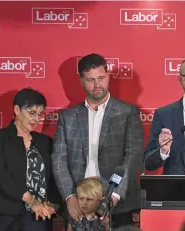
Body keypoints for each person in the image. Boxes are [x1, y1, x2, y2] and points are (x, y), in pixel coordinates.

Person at [52, 53, 144, 228]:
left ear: (108, 76)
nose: (97, 85)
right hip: (78, 206)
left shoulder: (128, 113)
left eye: (101, 78)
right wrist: (70, 197)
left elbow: (132, 157)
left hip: (117, 206)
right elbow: (59, 160)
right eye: (90, 80)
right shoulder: (68, 117)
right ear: (81, 81)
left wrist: (112, 198)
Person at [0, 88, 60, 231]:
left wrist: (53, 204)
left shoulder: (44, 141)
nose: (37, 119)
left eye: (40, 114)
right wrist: (31, 200)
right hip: (8, 215)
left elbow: (53, 177)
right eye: (32, 113)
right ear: (17, 110)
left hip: (39, 216)